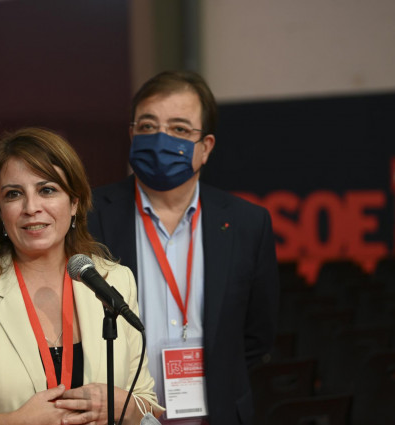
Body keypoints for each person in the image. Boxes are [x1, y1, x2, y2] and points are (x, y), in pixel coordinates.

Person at [0, 127, 163, 425]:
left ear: (75, 202)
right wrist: (13, 422)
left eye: (47, 190)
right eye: (14, 194)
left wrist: (127, 409)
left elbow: (147, 403)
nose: (31, 208)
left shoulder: (112, 280)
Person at [87, 71, 280, 424]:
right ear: (131, 135)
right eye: (147, 126)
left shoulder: (246, 223)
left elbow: (257, 335)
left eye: (179, 129)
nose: (161, 139)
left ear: (205, 147)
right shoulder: (88, 215)